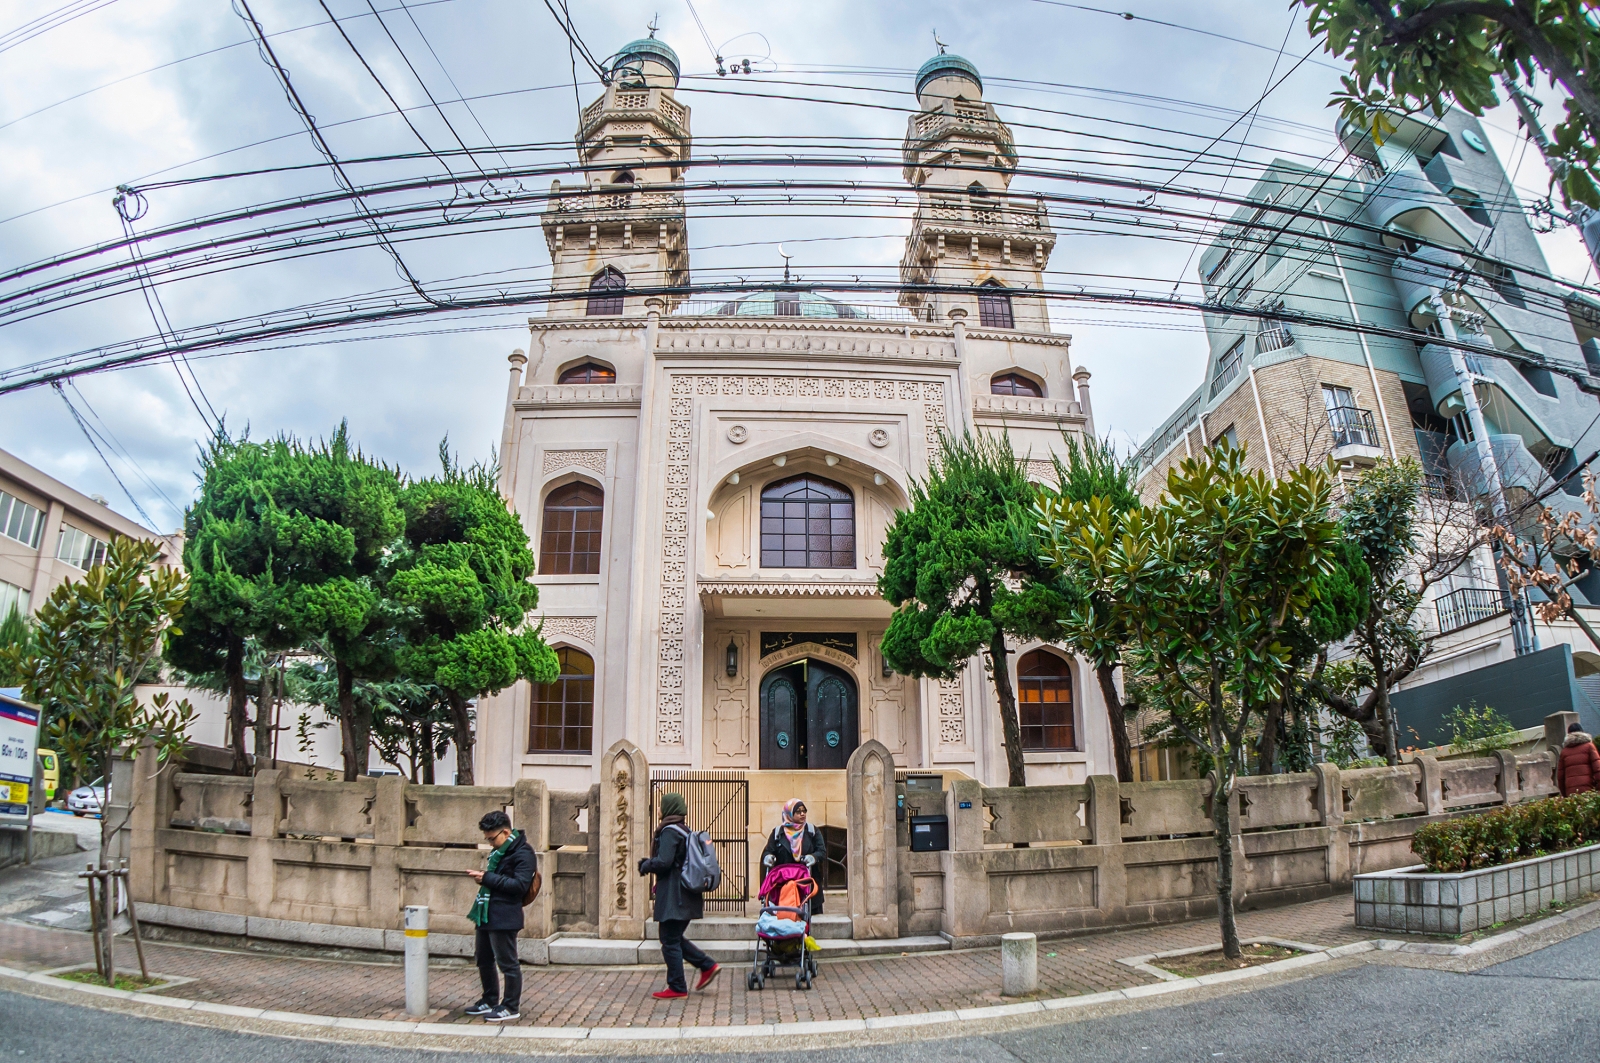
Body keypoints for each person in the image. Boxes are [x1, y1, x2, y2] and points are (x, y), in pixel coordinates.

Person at [637, 792, 720, 999]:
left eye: (661, 806)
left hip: (675, 895)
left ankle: (677, 986)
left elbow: (664, 862)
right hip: (686, 894)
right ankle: (706, 966)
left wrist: (646, 864)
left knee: (669, 939)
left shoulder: (669, 831)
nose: (658, 810)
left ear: (669, 808)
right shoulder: (684, 830)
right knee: (672, 937)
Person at [464, 810, 536, 1022]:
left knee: (508, 963)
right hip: (486, 911)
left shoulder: (523, 853)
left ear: (505, 832)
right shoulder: (499, 852)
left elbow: (519, 886)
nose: (490, 843)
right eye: (487, 839)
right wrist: (485, 879)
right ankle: (489, 999)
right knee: (483, 959)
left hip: (505, 914)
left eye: (492, 838)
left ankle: (511, 1006)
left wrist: (487, 878)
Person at [760, 799, 825, 912]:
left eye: (804, 811)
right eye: (798, 811)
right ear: (789, 814)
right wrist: (768, 857)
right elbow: (768, 851)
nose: (802, 814)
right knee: (785, 918)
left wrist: (814, 857)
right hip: (784, 887)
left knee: (809, 921)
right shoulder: (778, 833)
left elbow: (822, 851)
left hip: (807, 886)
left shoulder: (811, 831)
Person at [1558, 722, 1600, 796]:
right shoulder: (1589, 746)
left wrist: (1565, 795)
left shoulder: (1564, 752)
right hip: (1588, 789)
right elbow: (1598, 769)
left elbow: (1560, 777)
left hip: (1571, 792)